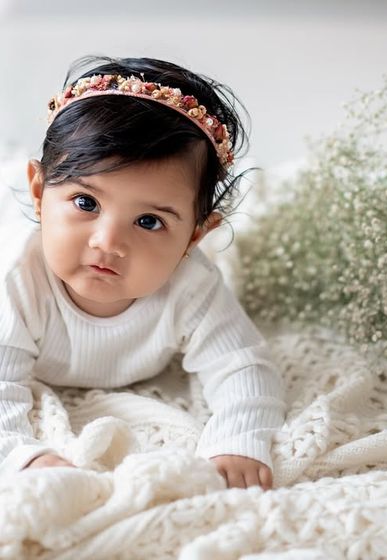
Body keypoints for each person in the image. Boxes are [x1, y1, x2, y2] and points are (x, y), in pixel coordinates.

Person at [0, 55, 285, 490]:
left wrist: (238, 440)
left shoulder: (192, 287)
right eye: (85, 203)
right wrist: (25, 457)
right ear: (39, 193)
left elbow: (243, 365)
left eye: (149, 221)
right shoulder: (19, 279)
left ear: (194, 236)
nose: (108, 242)